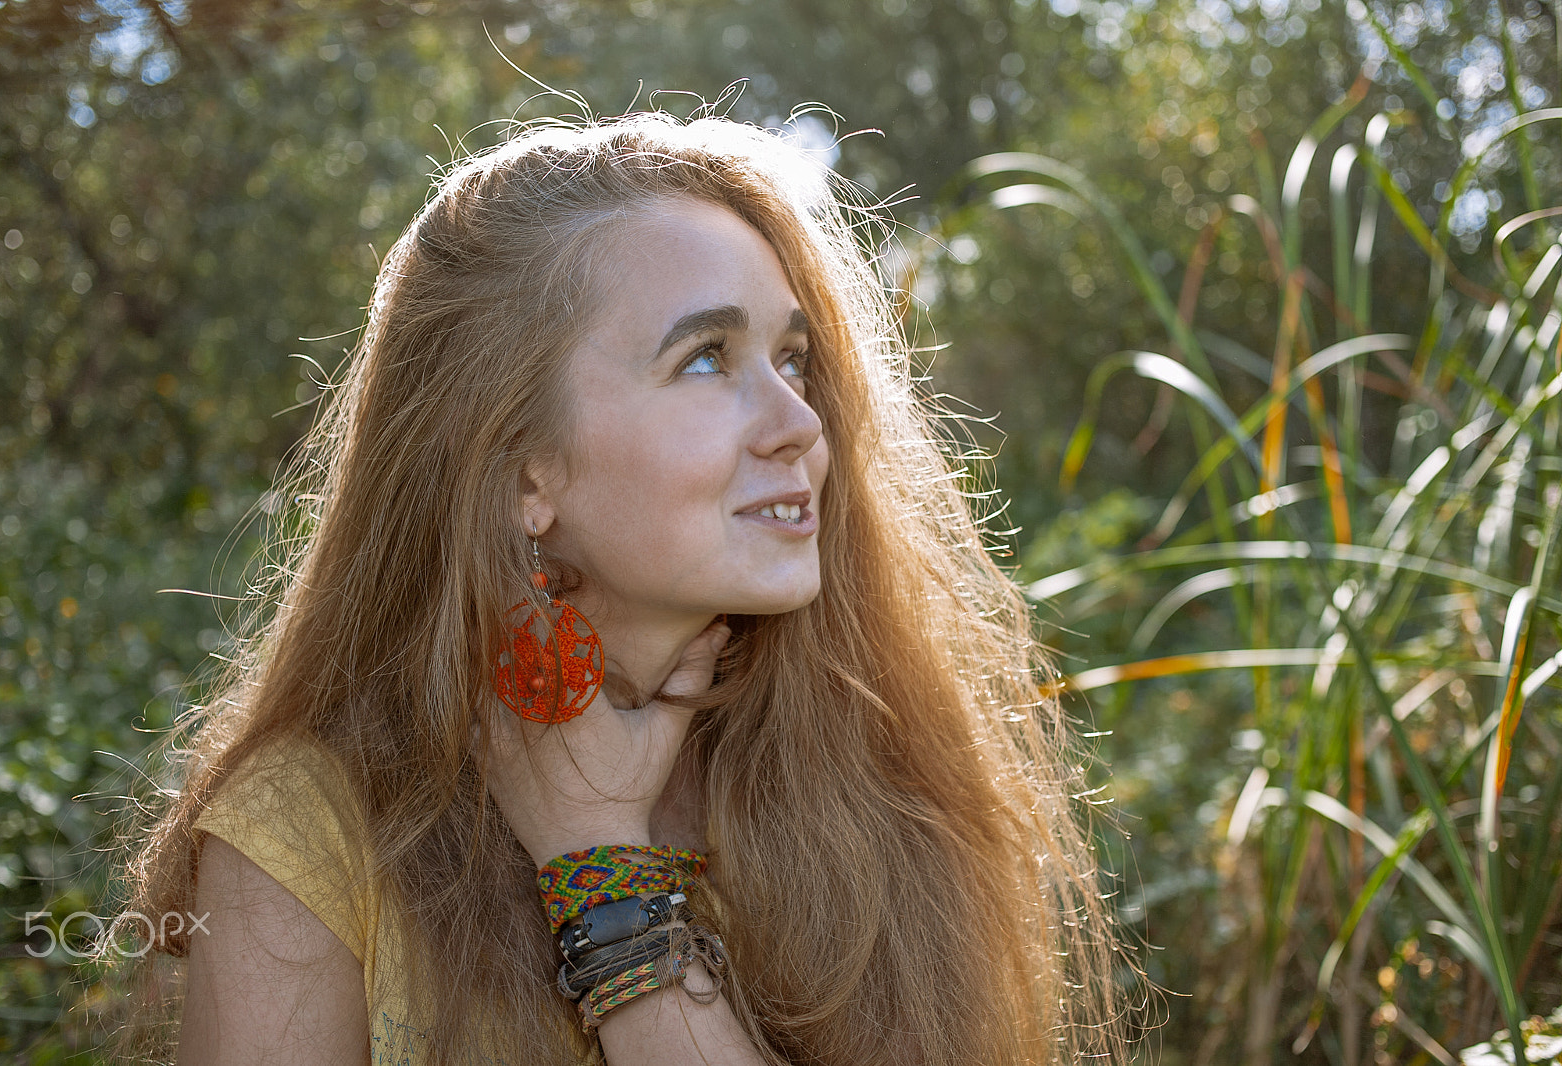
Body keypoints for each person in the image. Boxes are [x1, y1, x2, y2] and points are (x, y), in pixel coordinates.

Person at [120, 109, 1127, 1065]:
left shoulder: (873, 777)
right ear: (524, 473)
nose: (800, 425)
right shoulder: (307, 834)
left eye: (792, 359)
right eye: (704, 360)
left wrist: (595, 858)